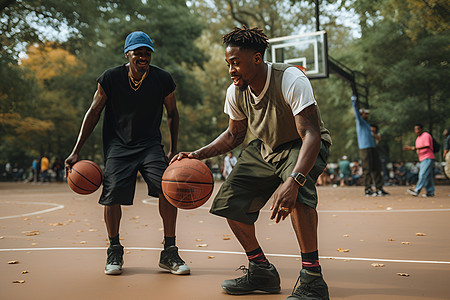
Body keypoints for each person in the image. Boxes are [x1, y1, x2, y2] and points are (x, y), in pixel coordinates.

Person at [173, 26, 332, 299]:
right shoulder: (235, 91)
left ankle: (313, 278)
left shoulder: (291, 79)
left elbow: (310, 134)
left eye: (235, 62)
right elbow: (234, 135)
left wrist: (294, 180)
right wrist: (198, 154)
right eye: (228, 63)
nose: (231, 69)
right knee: (229, 202)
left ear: (257, 58)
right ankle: (261, 270)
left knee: (300, 195)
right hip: (266, 148)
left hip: (301, 145)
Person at [64, 31, 189, 276]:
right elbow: (93, 112)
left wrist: (173, 149)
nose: (143, 56)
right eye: (138, 52)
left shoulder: (163, 79)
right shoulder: (110, 78)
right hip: (118, 146)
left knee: (168, 188)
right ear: (127, 54)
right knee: (111, 195)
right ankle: (114, 249)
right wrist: (75, 151)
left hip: (150, 145)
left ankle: (170, 251)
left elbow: (173, 113)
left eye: (147, 52)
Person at [351, 97, 389, 196]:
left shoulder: (368, 125)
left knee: (376, 168)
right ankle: (368, 189)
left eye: (367, 113)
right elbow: (356, 114)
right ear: (361, 114)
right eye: (364, 113)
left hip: (372, 148)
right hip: (365, 149)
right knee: (367, 169)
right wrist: (354, 102)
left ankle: (379, 188)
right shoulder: (360, 123)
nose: (366, 115)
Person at [403, 124, 435, 197]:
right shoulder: (418, 138)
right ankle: (430, 192)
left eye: (418, 129)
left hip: (428, 157)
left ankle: (416, 190)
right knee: (428, 176)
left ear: (421, 129)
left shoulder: (426, 135)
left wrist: (412, 148)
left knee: (422, 174)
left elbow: (427, 145)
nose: (416, 131)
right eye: (415, 129)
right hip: (422, 158)